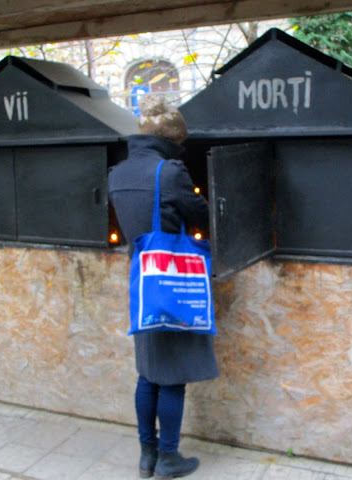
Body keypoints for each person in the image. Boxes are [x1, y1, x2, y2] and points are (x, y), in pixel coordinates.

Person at [108, 93, 219, 479]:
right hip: (173, 280)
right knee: (173, 376)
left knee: (148, 372)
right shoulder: (169, 171)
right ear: (171, 141)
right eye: (181, 144)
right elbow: (201, 214)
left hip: (142, 280)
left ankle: (147, 456)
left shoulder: (117, 173)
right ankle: (169, 457)